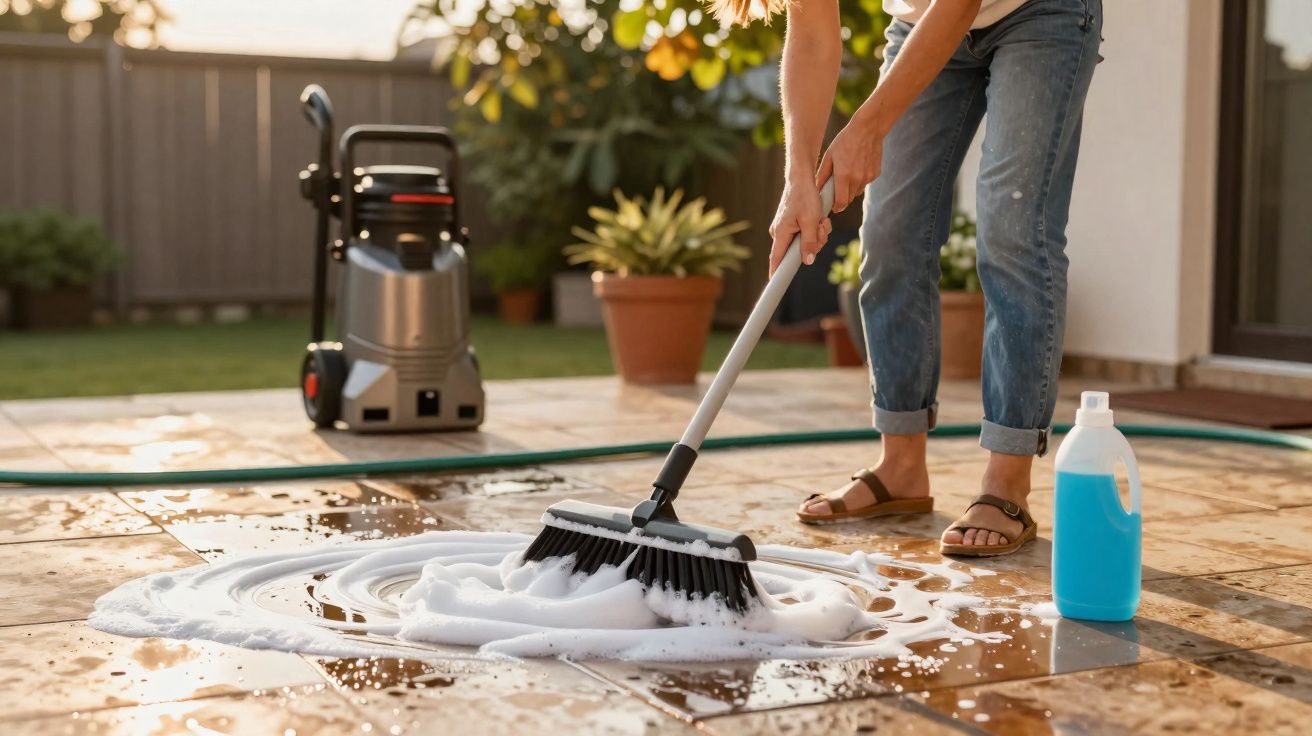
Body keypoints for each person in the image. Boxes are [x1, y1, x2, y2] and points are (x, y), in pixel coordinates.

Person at [714, 0, 1102, 556]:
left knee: (1012, 231)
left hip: (1040, 13)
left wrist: (868, 126)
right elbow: (814, 38)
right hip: (919, 22)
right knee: (890, 236)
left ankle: (1006, 481)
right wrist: (797, 176)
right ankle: (900, 468)